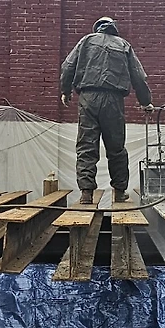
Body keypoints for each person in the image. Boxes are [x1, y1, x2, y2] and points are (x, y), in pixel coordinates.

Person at [60, 17, 153, 205]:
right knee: (116, 147)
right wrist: (145, 102)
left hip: (88, 98)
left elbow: (68, 66)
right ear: (114, 28)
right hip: (113, 100)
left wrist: (66, 91)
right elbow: (138, 76)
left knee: (86, 146)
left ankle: (86, 193)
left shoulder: (86, 41)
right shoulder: (123, 45)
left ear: (97, 28)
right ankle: (119, 192)